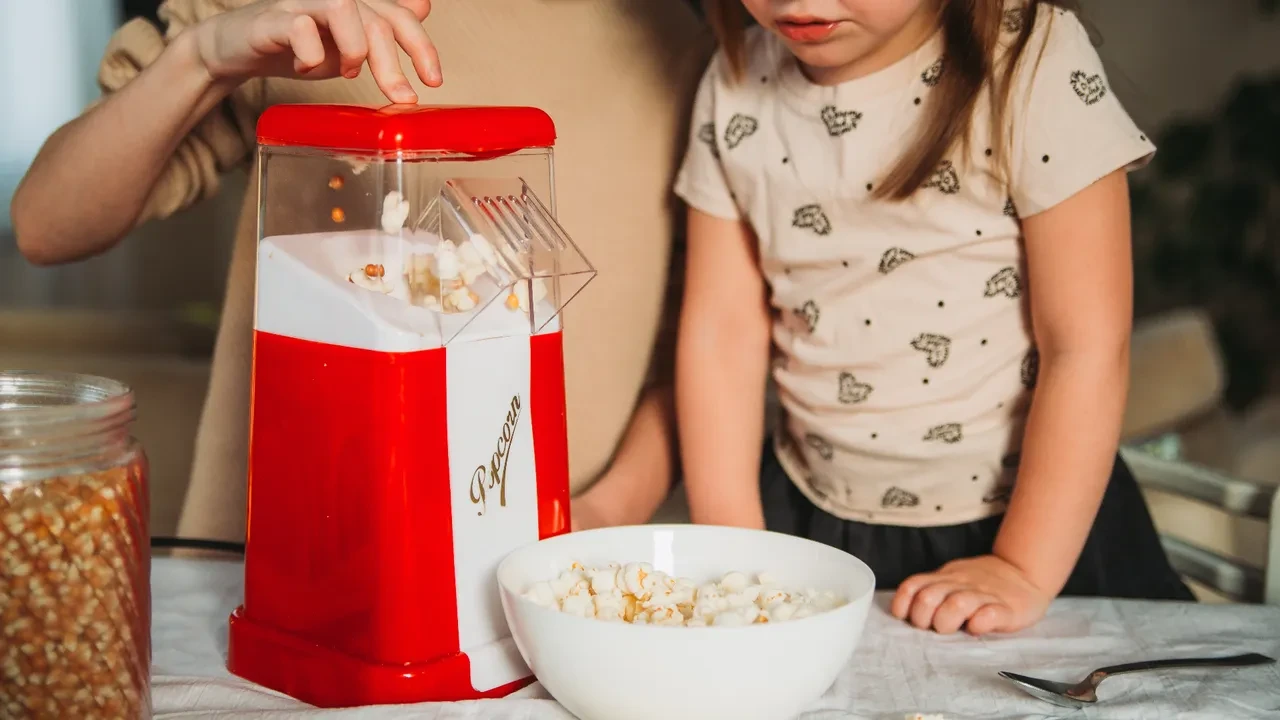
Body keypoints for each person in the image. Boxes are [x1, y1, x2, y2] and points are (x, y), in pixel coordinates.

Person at [12, 0, 710, 539]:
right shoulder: (300, 9)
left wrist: (603, 510)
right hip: (271, 562)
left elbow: (698, 354)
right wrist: (203, 58)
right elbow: (47, 224)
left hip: (543, 576)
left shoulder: (681, 43)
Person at [670, 0, 1194, 635]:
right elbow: (722, 337)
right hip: (812, 516)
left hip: (1034, 524)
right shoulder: (733, 83)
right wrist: (734, 551)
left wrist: (1022, 567)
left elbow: (1084, 344)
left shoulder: (1029, 57)